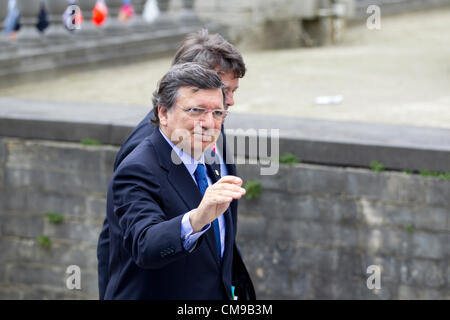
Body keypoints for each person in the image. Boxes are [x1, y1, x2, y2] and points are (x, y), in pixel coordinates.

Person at [97, 29, 255, 299]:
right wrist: (195, 220)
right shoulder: (142, 155)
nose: (227, 103)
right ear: (164, 111)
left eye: (218, 109)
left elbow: (220, 235)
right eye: (197, 108)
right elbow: (138, 242)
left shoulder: (210, 129)